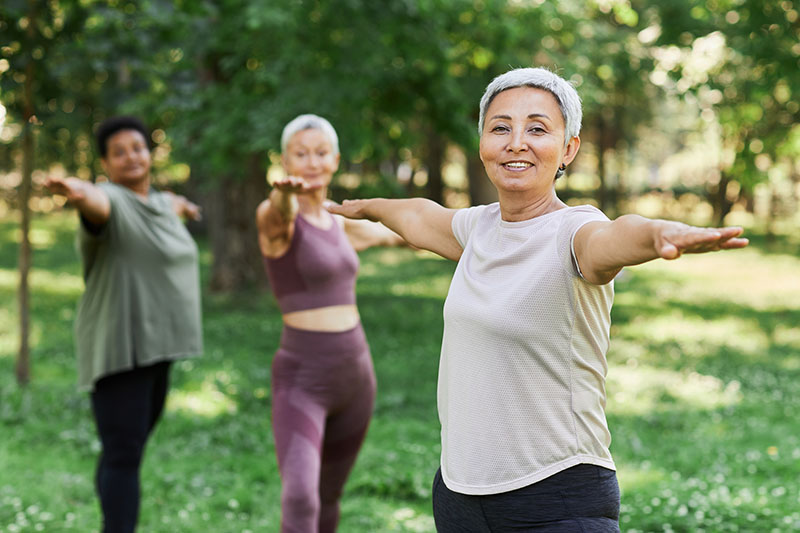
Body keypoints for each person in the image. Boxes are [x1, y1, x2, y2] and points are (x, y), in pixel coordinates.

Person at [327, 67, 749, 532]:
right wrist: (368, 207)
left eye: (537, 129)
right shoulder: (480, 228)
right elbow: (418, 215)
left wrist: (657, 234)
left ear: (568, 148)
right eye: (500, 128)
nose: (516, 142)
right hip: (459, 495)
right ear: (483, 144)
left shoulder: (573, 233)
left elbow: (615, 236)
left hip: (556, 496)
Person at [44, 116, 203, 533]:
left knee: (123, 450)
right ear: (106, 164)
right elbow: (97, 205)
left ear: (150, 154)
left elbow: (171, 204)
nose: (130, 156)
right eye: (119, 152)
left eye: (137, 147)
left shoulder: (161, 202)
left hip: (157, 345)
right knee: (123, 455)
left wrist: (184, 205)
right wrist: (77, 193)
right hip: (120, 345)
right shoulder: (108, 200)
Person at [256, 114, 405, 532]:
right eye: (300, 154)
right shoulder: (276, 219)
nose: (311, 162)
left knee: (329, 497)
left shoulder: (342, 225)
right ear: (285, 161)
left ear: (335, 159)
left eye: (321, 153)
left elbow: (404, 234)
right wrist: (283, 197)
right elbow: (277, 213)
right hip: (303, 378)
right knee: (300, 497)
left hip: (355, 376)